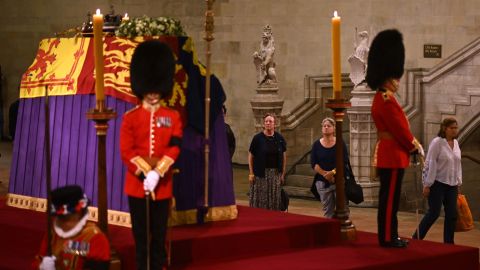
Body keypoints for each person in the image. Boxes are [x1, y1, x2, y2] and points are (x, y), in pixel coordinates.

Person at [120, 40, 183, 269]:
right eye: (150, 90)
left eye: (157, 90)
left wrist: (158, 172)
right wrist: (145, 172)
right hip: (136, 186)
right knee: (141, 239)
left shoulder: (172, 116)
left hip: (163, 185)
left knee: (159, 237)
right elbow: (126, 151)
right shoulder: (130, 117)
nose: (154, 95)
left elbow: (174, 146)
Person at [366, 29, 424, 248]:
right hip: (392, 154)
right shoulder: (386, 100)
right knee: (389, 200)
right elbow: (399, 129)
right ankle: (388, 238)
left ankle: (391, 235)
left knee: (389, 199)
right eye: (395, 78)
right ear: (388, 78)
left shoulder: (383, 98)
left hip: (391, 153)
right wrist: (413, 146)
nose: (397, 81)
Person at [33, 185, 110, 269]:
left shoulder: (94, 238)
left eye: (65, 218)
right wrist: (41, 266)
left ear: (79, 213)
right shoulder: (52, 233)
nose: (61, 222)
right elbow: (39, 259)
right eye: (58, 217)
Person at [412, 117, 461, 244]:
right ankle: (417, 238)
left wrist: (458, 181)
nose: (455, 130)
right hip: (437, 183)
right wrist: (427, 184)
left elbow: (457, 164)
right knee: (434, 213)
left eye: (456, 128)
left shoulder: (456, 143)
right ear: (445, 129)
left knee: (452, 215)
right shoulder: (437, 142)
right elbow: (430, 163)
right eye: (452, 128)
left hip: (452, 184)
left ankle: (448, 243)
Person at [310, 117, 350, 218]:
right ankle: (330, 231)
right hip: (322, 181)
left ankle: (343, 231)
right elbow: (314, 163)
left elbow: (344, 161)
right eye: (324, 126)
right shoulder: (316, 145)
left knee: (343, 209)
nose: (326, 128)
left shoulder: (340, 143)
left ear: (334, 128)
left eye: (329, 126)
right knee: (328, 211)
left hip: (338, 180)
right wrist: (325, 174)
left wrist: (332, 173)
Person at [248, 113, 286, 210]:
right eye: (266, 121)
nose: (268, 123)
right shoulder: (257, 138)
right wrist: (251, 173)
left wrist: (282, 174)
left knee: (274, 198)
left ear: (275, 124)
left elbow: (284, 156)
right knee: (261, 199)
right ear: (263, 124)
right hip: (260, 174)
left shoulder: (280, 138)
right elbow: (251, 156)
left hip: (275, 173)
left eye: (270, 121)